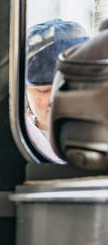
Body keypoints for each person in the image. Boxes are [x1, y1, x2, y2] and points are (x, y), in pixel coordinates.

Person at [25, 18, 89, 162]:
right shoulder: (18, 138)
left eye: (66, 87)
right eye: (43, 90)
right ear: (24, 91)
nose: (54, 99)